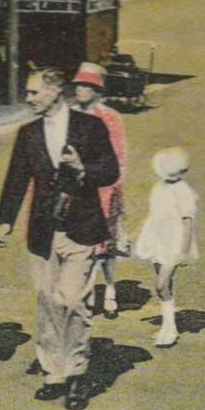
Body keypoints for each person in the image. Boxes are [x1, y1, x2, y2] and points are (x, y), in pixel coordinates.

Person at [0, 67, 120, 410]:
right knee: (47, 300)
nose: (29, 98)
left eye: (34, 92)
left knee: (73, 300)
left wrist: (82, 169)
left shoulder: (89, 127)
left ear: (54, 92)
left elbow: (111, 170)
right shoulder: (28, 132)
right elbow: (16, 179)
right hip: (43, 232)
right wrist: (4, 221)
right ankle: (54, 373)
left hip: (81, 228)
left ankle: (77, 372)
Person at [72, 63, 128, 318]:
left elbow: (119, 155)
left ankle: (109, 291)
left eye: (87, 85)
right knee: (81, 246)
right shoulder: (69, 114)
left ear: (97, 89)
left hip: (105, 187)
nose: (81, 90)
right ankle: (86, 294)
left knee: (106, 245)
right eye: (79, 85)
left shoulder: (110, 117)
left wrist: (111, 185)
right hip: (78, 189)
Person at [133, 146, 199, 348]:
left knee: (161, 284)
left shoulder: (184, 192)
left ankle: (170, 328)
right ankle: (168, 326)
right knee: (165, 285)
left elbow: (188, 223)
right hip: (157, 239)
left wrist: (183, 251)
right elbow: (153, 214)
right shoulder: (159, 186)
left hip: (174, 243)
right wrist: (135, 233)